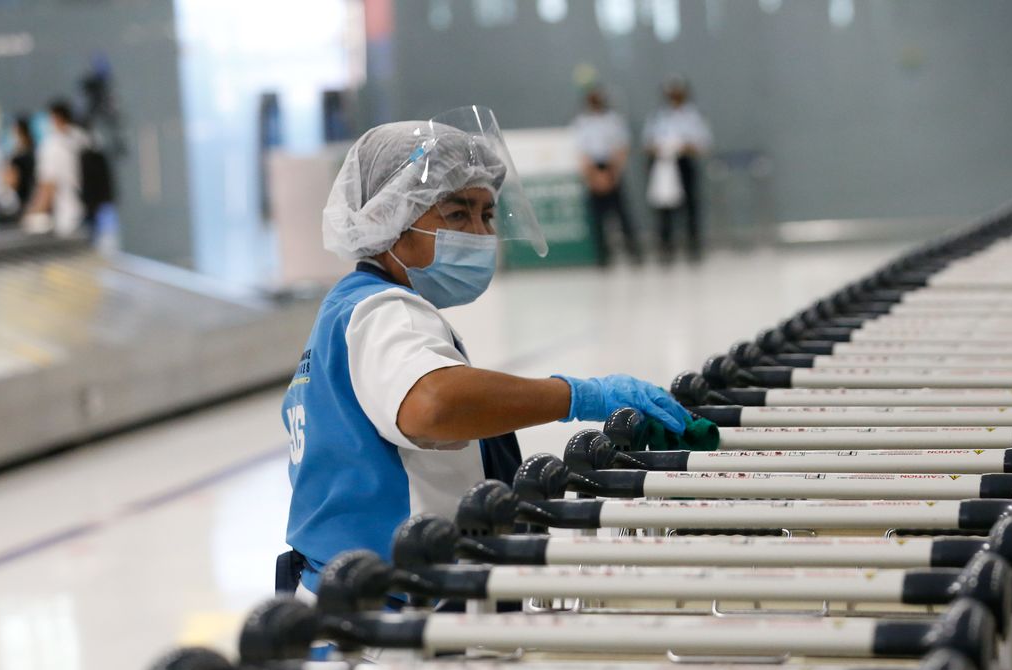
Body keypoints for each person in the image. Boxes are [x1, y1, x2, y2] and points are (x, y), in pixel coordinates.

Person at [280, 107, 690, 595]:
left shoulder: (347, 311)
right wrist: (576, 397)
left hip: (350, 591)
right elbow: (434, 404)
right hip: (393, 609)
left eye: (487, 214)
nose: (478, 234)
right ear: (388, 219)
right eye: (456, 214)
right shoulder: (386, 310)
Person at [644, 77, 712, 263]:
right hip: (663, 165)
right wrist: (662, 147)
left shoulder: (693, 116)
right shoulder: (659, 116)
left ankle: (693, 247)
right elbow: (648, 143)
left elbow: (703, 144)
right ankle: (666, 248)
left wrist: (683, 146)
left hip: (684, 163)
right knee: (664, 208)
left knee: (690, 206)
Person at [571, 86, 642, 267]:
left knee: (622, 214)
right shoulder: (581, 123)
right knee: (597, 217)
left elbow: (622, 147)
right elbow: (580, 152)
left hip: (612, 169)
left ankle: (633, 251)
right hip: (593, 170)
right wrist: (593, 175)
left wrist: (612, 173)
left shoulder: (614, 121)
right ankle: (602, 256)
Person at [26, 99, 89, 236]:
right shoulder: (84, 138)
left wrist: (33, 215)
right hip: (94, 215)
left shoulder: (51, 146)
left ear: (55, 118)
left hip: (68, 217)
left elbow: (48, 185)